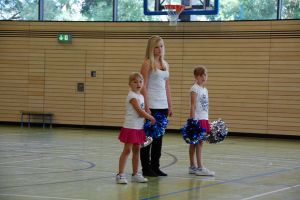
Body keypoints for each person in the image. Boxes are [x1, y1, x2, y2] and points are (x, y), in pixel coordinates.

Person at [140, 35, 173, 177]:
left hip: (163, 105)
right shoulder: (147, 63)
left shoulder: (165, 65)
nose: (159, 49)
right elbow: (143, 86)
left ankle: (155, 166)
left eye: (161, 46)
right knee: (148, 138)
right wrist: (146, 107)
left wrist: (170, 105)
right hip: (151, 105)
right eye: (156, 46)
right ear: (151, 48)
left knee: (159, 138)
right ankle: (146, 169)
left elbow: (167, 87)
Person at [116, 72, 156, 184]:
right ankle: (120, 174)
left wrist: (147, 113)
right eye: (135, 82)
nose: (138, 84)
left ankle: (135, 174)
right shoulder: (132, 96)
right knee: (127, 150)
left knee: (137, 150)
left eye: (140, 81)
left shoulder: (141, 96)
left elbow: (142, 111)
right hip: (130, 127)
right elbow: (139, 111)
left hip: (139, 128)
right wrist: (151, 117)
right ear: (130, 84)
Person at [188, 66, 215, 176]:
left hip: (204, 119)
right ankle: (197, 167)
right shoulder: (194, 88)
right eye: (201, 75)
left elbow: (205, 106)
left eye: (205, 75)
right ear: (196, 77)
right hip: (197, 119)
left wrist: (207, 119)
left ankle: (195, 166)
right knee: (195, 143)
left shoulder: (205, 90)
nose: (203, 77)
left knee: (198, 143)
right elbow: (193, 105)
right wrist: (192, 121)